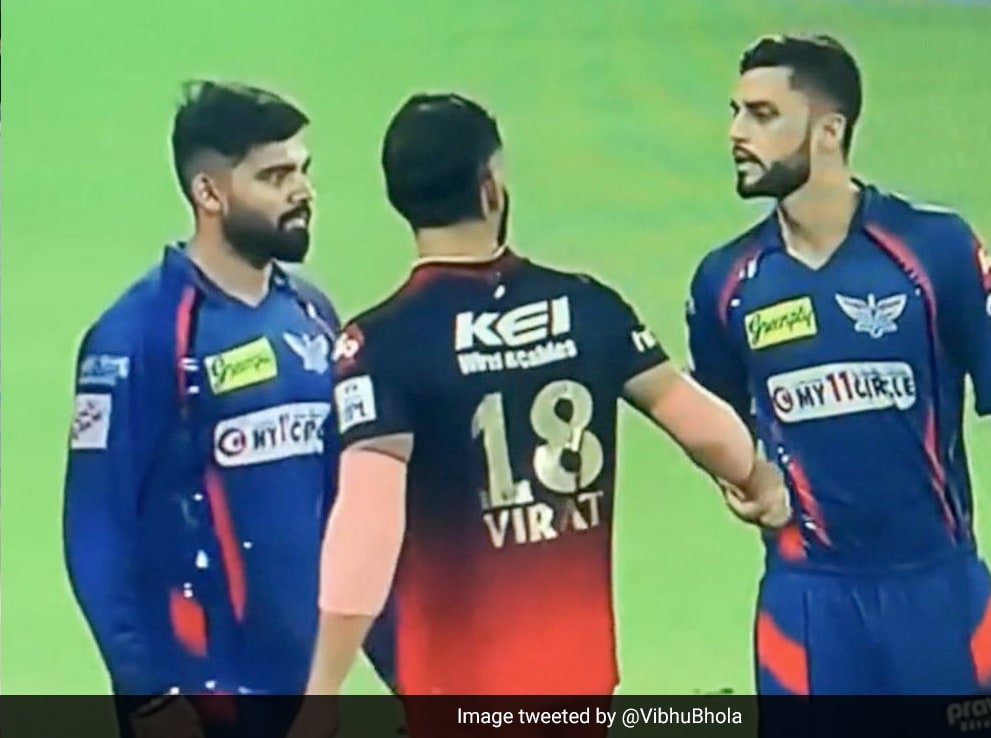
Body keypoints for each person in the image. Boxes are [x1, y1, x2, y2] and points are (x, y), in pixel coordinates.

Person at [295, 92, 789, 735]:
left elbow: (367, 524)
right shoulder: (587, 307)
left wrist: (322, 691)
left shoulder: (381, 345)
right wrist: (759, 481)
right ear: (490, 189)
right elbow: (696, 418)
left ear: (400, 199)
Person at [686, 32, 991, 717]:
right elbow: (710, 418)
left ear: (829, 130)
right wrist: (744, 475)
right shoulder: (725, 282)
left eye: (762, 114)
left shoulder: (933, 250)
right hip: (807, 606)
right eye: (735, 112)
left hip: (941, 596)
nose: (736, 132)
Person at [62, 80, 339, 737]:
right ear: (208, 194)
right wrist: (148, 694)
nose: (301, 191)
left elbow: (345, 509)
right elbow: (96, 529)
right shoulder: (137, 337)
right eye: (274, 176)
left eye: (303, 171)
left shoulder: (314, 318)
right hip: (191, 701)